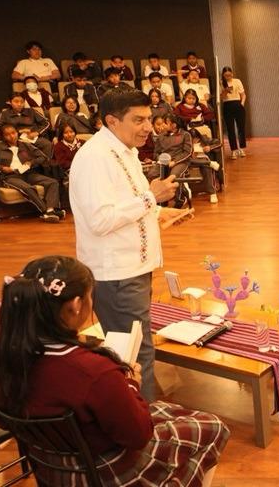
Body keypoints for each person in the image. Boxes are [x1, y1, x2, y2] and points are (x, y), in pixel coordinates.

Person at [0, 256, 229, 486]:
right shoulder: (92, 372)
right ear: (76, 305)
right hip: (107, 472)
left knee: (168, 411)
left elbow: (3, 420)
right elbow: (138, 436)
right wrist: (131, 383)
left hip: (49, 470)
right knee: (213, 426)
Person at [69, 87, 184, 401]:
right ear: (112, 121)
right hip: (117, 275)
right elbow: (100, 220)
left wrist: (158, 212)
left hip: (134, 268)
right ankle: (140, 420)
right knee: (135, 355)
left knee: (134, 348)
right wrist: (151, 198)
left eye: (148, 118)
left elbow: (126, 202)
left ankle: (133, 412)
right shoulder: (94, 158)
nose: (148, 127)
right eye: (139, 120)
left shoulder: (125, 151)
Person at [0, 124, 62, 223]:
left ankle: (50, 210)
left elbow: (42, 157)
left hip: (28, 173)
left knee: (52, 182)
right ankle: (45, 211)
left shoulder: (25, 145)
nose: (12, 136)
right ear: (3, 136)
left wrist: (31, 162)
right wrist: (2, 168)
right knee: (27, 188)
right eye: (7, 134)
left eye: (13, 133)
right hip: (9, 176)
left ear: (17, 133)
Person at [0, 92, 53, 157]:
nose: (19, 104)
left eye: (22, 102)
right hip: (15, 139)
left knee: (47, 144)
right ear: (10, 102)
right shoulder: (5, 113)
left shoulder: (31, 111)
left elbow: (47, 123)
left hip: (32, 137)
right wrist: (17, 131)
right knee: (23, 149)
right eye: (16, 101)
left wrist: (37, 132)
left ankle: (46, 163)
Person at [219, 66, 247, 159]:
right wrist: (225, 91)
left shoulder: (237, 81)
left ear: (232, 74)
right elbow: (222, 98)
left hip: (238, 104)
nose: (228, 77)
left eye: (229, 75)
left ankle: (242, 148)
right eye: (226, 75)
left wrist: (242, 104)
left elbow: (243, 94)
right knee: (230, 129)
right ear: (223, 75)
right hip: (227, 105)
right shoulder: (221, 82)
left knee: (241, 128)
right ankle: (233, 150)